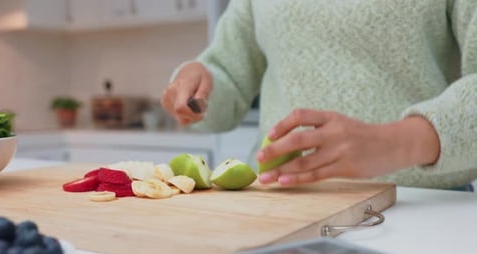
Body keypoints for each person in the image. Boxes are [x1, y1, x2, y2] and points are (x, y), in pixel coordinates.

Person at [161, 0, 477, 190]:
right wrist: (197, 91)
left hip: (420, 210)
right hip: (279, 211)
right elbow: (227, 74)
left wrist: (395, 142)